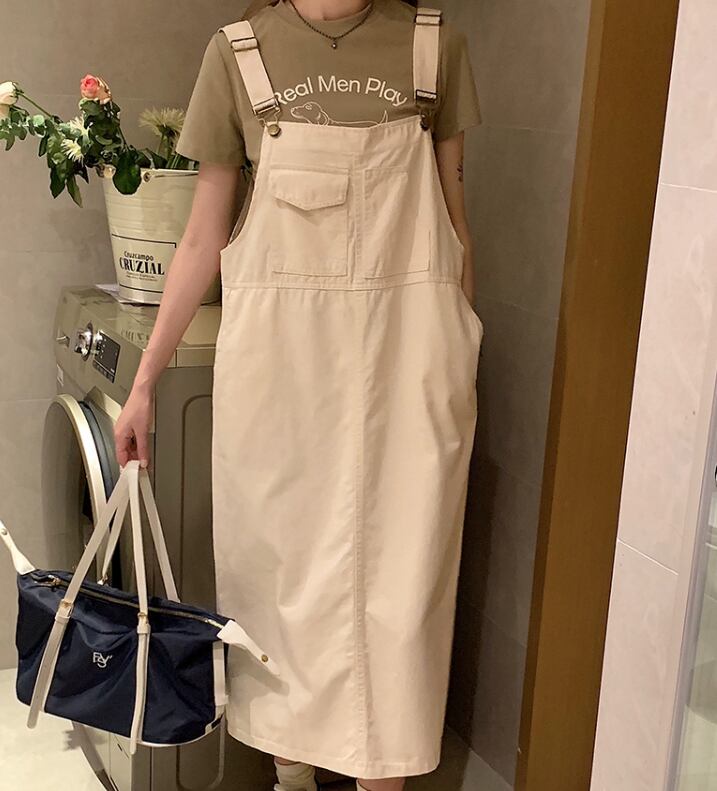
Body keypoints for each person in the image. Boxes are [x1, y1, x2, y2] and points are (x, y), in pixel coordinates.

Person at [113, 1, 484, 790]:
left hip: (409, 354)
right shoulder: (238, 52)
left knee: (404, 574)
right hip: (280, 362)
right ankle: (292, 775)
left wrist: (461, 348)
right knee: (276, 568)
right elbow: (203, 235)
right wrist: (144, 382)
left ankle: (382, 777)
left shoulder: (434, 48)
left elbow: (455, 228)